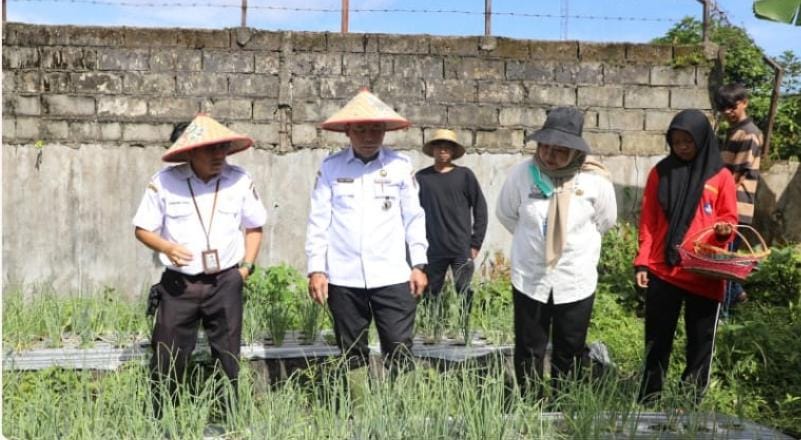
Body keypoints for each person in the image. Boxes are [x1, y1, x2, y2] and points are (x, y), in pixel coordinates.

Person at [133, 114, 267, 419]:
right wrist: (166, 247)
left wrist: (245, 268)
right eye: (210, 150)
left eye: (222, 149)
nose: (218, 156)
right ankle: (162, 419)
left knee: (229, 355)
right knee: (167, 356)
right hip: (180, 285)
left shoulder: (239, 180)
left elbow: (255, 226)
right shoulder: (164, 183)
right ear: (191, 151)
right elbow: (142, 229)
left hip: (226, 283)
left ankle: (230, 417)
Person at [496, 106, 617, 398]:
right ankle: (530, 403)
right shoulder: (522, 175)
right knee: (529, 347)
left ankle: (563, 404)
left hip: (575, 278)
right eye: (545, 147)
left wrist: (569, 246)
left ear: (576, 151)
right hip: (531, 276)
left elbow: (605, 221)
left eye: (560, 150)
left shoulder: (595, 182)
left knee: (571, 347)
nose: (549, 156)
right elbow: (507, 214)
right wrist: (538, 244)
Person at [305, 88, 428, 373]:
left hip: (392, 275)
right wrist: (316, 269)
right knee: (352, 353)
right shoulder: (331, 168)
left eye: (376, 130)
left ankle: (401, 412)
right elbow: (318, 221)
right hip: (344, 277)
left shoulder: (400, 166)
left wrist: (419, 264)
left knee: (399, 348)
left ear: (385, 131)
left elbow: (414, 217)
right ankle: (359, 414)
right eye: (361, 130)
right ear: (348, 131)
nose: (369, 137)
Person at [634, 109, 737, 405]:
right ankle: (648, 400)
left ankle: (690, 404)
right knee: (657, 341)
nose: (681, 147)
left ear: (702, 140)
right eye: (676, 141)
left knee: (700, 343)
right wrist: (642, 261)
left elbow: (729, 219)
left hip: (704, 273)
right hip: (663, 269)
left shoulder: (721, 177)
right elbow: (649, 222)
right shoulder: (660, 173)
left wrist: (722, 230)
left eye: (687, 141)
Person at [416, 128, 488, 328]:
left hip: (461, 247)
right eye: (439, 146)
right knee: (430, 293)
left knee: (464, 289)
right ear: (433, 150)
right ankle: (431, 329)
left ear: (454, 151)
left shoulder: (465, 176)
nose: (443, 150)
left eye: (448, 147)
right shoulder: (422, 178)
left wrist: (475, 243)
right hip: (432, 248)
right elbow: (412, 213)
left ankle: (463, 330)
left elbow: (481, 209)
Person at [715, 83, 764, 314]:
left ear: (744, 102)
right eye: (723, 107)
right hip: (730, 203)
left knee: (723, 259)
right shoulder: (734, 131)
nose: (727, 112)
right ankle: (737, 295)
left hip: (734, 205)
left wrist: (719, 200)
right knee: (726, 255)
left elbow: (736, 175)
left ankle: (722, 315)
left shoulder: (749, 134)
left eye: (731, 106)